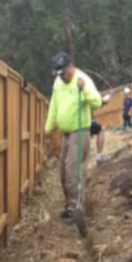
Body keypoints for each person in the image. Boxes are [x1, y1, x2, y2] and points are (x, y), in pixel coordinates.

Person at [43, 52, 104, 235]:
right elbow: (54, 106)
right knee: (63, 173)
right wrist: (48, 129)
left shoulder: (82, 80)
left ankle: (78, 209)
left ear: (71, 67)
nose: (62, 77)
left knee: (72, 172)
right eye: (59, 74)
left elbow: (97, 102)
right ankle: (70, 207)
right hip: (66, 134)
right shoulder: (58, 83)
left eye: (64, 73)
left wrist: (83, 89)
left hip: (80, 132)